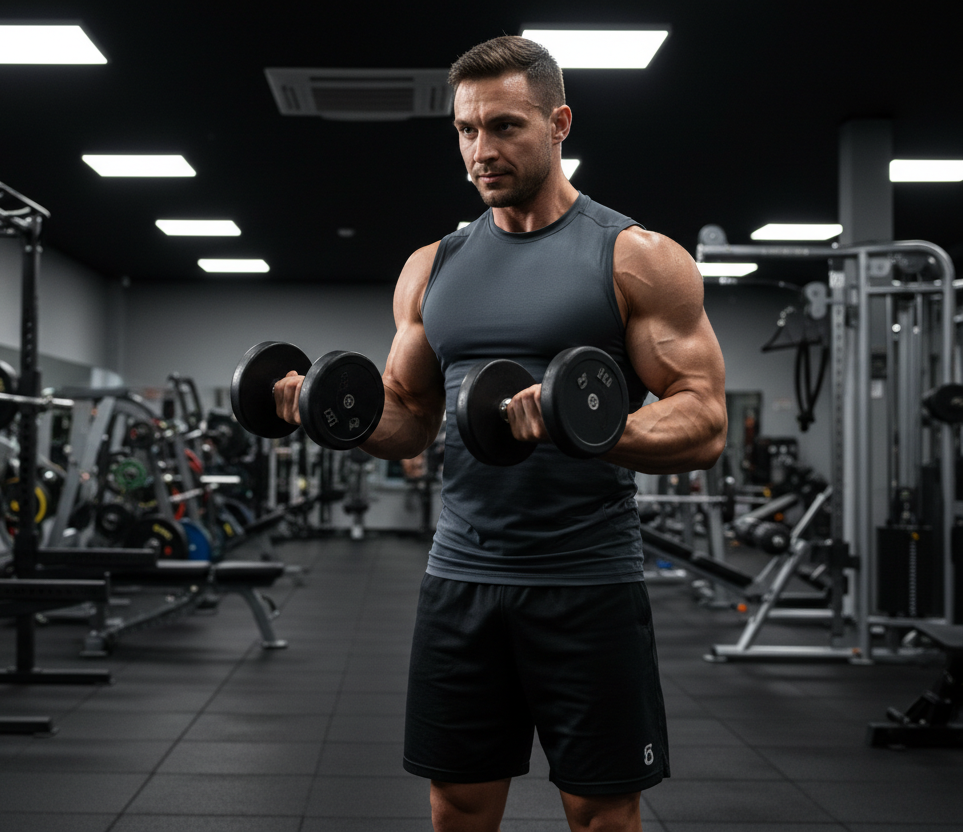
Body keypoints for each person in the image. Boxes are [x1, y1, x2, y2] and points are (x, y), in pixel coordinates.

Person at [274, 35, 727, 832]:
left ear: (559, 124)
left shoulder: (634, 256)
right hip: (461, 578)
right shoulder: (433, 266)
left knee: (600, 810)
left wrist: (588, 428)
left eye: (506, 127)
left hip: (588, 581)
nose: (482, 150)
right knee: (457, 801)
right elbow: (408, 417)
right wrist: (326, 411)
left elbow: (703, 419)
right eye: (466, 130)